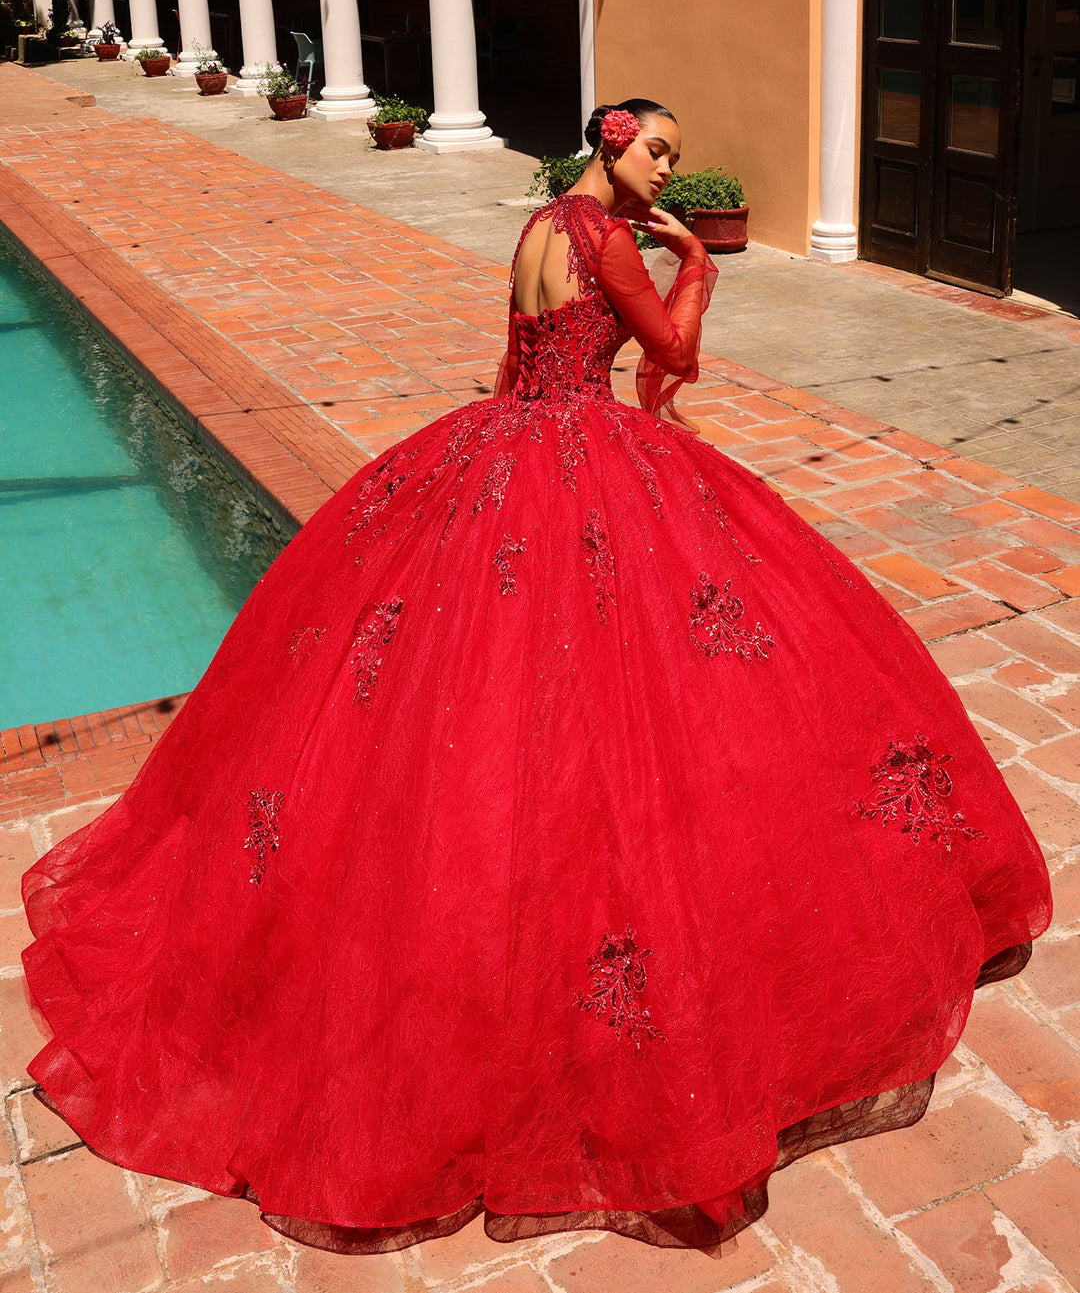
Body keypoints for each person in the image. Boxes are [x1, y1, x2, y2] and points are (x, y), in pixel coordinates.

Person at [21, 100, 1052, 1257]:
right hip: (582, 455)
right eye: (656, 150)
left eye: (673, 155)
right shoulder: (610, 240)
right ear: (614, 146)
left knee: (475, 687)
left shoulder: (538, 227)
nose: (668, 169)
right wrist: (697, 264)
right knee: (621, 694)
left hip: (500, 445)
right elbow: (670, 354)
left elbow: (521, 357)